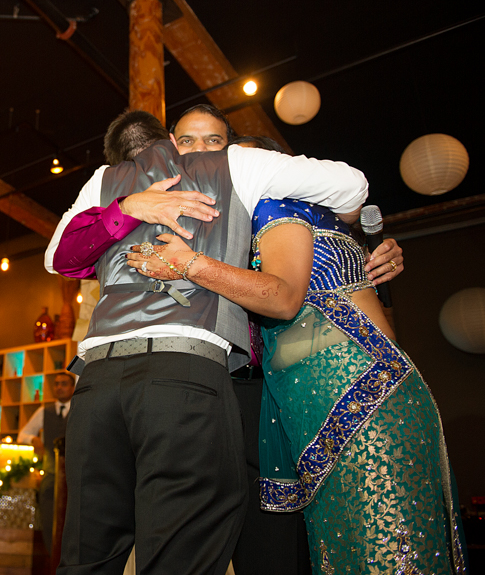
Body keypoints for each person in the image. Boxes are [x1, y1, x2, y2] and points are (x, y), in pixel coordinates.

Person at [45, 110, 369, 575]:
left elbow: (59, 259)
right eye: (190, 141)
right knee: (180, 552)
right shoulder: (239, 164)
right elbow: (352, 185)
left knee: (86, 554)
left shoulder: (105, 179)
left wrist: (124, 207)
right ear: (171, 143)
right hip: (184, 375)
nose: (200, 151)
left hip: (96, 383)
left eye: (212, 140)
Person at [125, 194, 467, 573]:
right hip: (288, 405)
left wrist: (190, 264)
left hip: (359, 389)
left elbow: (284, 298)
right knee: (339, 548)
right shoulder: (222, 231)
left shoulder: (279, 208)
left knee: (390, 543)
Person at [17, 372, 75, 555]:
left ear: (72, 387)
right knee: (49, 523)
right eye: (56, 384)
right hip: (50, 475)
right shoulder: (44, 411)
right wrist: (33, 439)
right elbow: (21, 435)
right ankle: (53, 562)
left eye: (64, 383)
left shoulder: (80, 408)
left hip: (74, 477)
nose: (59, 387)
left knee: (72, 524)